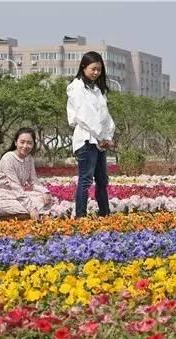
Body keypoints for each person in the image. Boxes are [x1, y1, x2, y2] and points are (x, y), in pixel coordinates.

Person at [66, 51, 116, 218]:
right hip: (87, 139)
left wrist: (108, 136)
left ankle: (105, 214)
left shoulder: (96, 89)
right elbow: (85, 116)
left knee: (102, 180)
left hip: (99, 140)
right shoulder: (77, 87)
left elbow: (105, 115)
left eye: (99, 70)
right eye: (93, 69)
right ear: (83, 67)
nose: (96, 73)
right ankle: (81, 216)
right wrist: (102, 137)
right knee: (86, 180)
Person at [0, 127, 53, 221]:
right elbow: (15, 187)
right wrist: (31, 208)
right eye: (22, 142)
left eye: (29, 143)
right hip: (2, 196)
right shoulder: (8, 158)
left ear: (33, 144)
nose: (25, 146)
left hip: (17, 196)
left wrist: (45, 191)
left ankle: (25, 216)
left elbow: (33, 181)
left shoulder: (29, 159)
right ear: (16, 142)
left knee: (46, 200)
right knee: (32, 208)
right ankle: (4, 216)